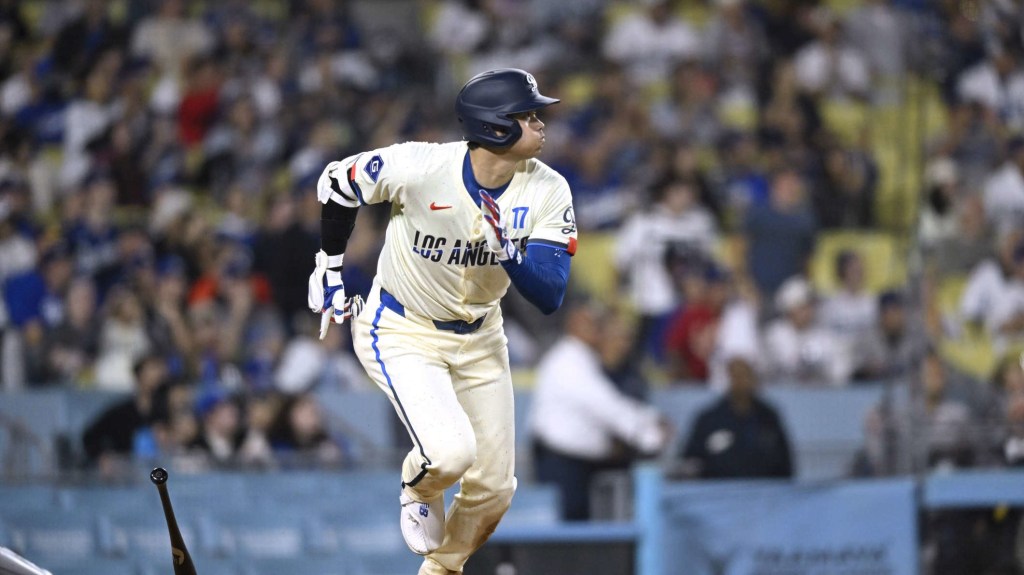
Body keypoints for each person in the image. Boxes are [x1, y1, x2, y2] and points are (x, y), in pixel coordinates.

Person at [308, 68, 576, 575]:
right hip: (402, 327)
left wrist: (511, 255)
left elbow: (550, 295)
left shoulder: (549, 189)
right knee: (450, 455)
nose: (541, 123)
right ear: (495, 128)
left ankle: (440, 571)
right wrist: (329, 264)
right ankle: (419, 485)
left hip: (481, 335)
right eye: (528, 114)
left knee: (496, 488)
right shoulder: (421, 165)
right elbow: (336, 182)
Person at [529, 297, 669, 520]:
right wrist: (648, 435)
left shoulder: (586, 358)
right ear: (573, 324)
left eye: (599, 322)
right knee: (568, 537)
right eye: (590, 322)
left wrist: (649, 419)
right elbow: (606, 407)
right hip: (561, 465)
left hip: (581, 466)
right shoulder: (568, 360)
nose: (597, 328)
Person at [676, 354, 794, 479]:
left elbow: (785, 464)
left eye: (745, 375)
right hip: (717, 492)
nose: (741, 382)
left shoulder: (768, 417)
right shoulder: (709, 419)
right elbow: (690, 462)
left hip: (763, 492)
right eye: (736, 376)